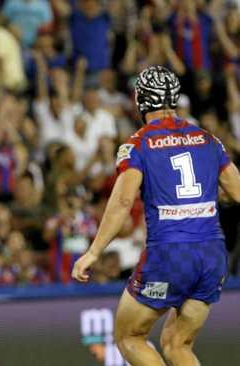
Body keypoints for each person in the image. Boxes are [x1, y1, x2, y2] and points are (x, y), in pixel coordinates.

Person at [72, 65, 240, 366]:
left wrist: (93, 252)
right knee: (178, 345)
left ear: (140, 100)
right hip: (212, 255)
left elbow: (123, 201)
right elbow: (237, 192)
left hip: (169, 255)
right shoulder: (208, 139)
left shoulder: (137, 144)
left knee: (129, 337)